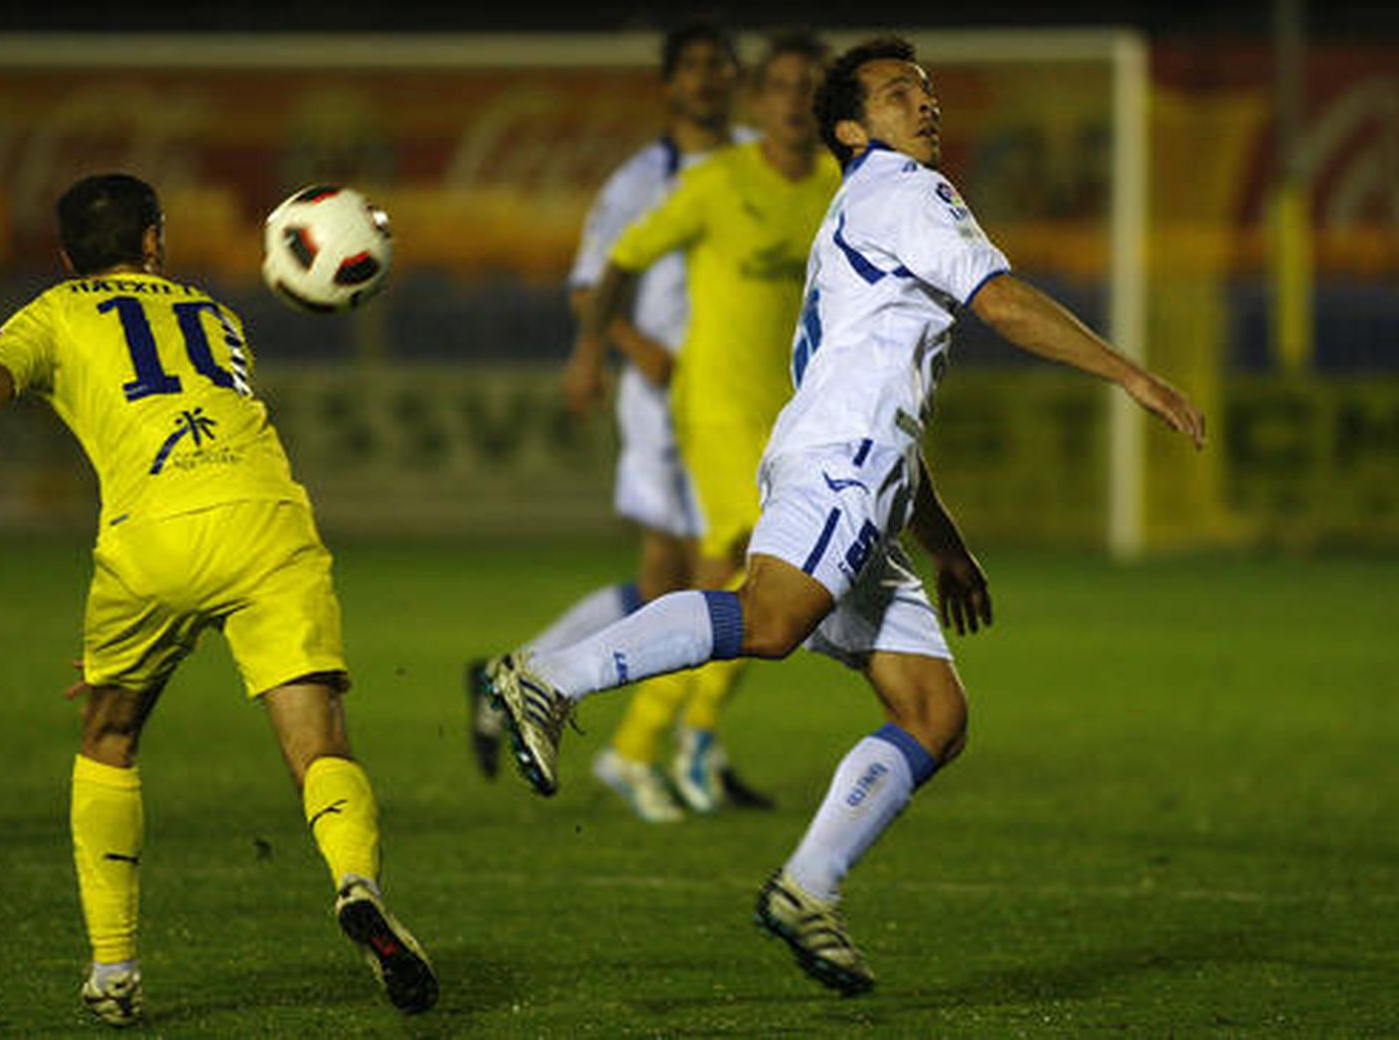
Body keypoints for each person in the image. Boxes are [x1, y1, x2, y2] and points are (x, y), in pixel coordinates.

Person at [487, 35, 1206, 996]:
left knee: (934, 715)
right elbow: (1000, 303)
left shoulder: (859, 207)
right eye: (900, 92)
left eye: (929, 91)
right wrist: (1134, 375)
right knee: (773, 619)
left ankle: (807, 887)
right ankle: (549, 676)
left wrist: (946, 547)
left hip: (868, 470)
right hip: (843, 464)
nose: (926, 104)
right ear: (852, 128)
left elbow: (890, 394)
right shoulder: (906, 190)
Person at [0, 173, 438, 1024]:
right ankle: (355, 882)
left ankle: (115, 972)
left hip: (151, 534)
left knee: (110, 734)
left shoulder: (53, 311)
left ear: (65, 257)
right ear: (155, 240)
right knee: (319, 742)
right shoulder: (210, 313)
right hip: (268, 519)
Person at [466, 22, 771, 821]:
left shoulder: (760, 161)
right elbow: (588, 286)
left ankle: (540, 681)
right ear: (668, 86)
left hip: (742, 393)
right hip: (665, 399)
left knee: (702, 574)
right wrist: (617, 348)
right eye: (694, 68)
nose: (709, 81)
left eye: (720, 67)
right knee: (702, 571)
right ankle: (657, 740)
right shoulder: (642, 179)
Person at [563, 29, 839, 815]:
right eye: (780, 85)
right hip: (714, 406)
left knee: (756, 582)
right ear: (759, 101)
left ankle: (661, 741)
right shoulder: (718, 182)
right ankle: (672, 741)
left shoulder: (837, 187)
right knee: (763, 567)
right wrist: (592, 352)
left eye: (808, 87)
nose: (792, 100)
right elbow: (620, 259)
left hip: (792, 412)